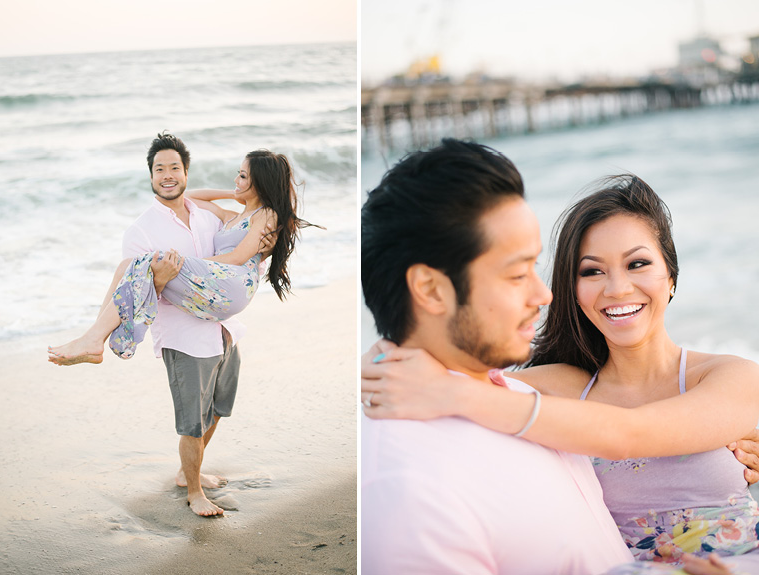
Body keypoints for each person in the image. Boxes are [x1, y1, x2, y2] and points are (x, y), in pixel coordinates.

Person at [361, 138, 737, 575]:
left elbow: (632, 433)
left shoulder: (522, 401)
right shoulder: (413, 486)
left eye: (638, 264)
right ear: (429, 290)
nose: (543, 296)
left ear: (670, 273)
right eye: (518, 274)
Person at [49, 133, 310, 517]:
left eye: (175, 168)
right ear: (150, 175)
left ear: (185, 171)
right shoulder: (151, 227)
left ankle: (94, 339)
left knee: (217, 407)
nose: (168, 175)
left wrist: (228, 247)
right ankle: (192, 488)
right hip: (187, 333)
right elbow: (141, 286)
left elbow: (235, 253)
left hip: (225, 308)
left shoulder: (247, 216)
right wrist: (239, 194)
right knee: (138, 268)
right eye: (160, 169)